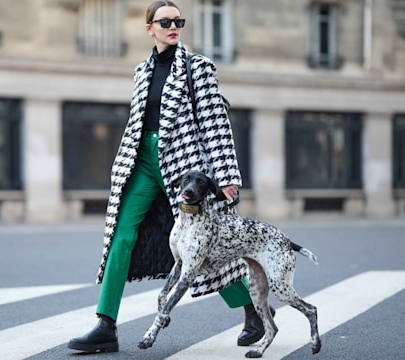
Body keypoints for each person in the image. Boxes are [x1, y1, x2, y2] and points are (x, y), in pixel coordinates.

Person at [68, 0, 268, 353]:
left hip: (184, 167)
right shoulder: (141, 71)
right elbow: (139, 121)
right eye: (165, 22)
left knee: (202, 246)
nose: (173, 26)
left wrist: (225, 175)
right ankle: (106, 325)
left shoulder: (199, 67)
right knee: (121, 234)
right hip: (142, 161)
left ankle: (251, 312)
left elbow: (215, 123)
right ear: (150, 28)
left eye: (178, 21)